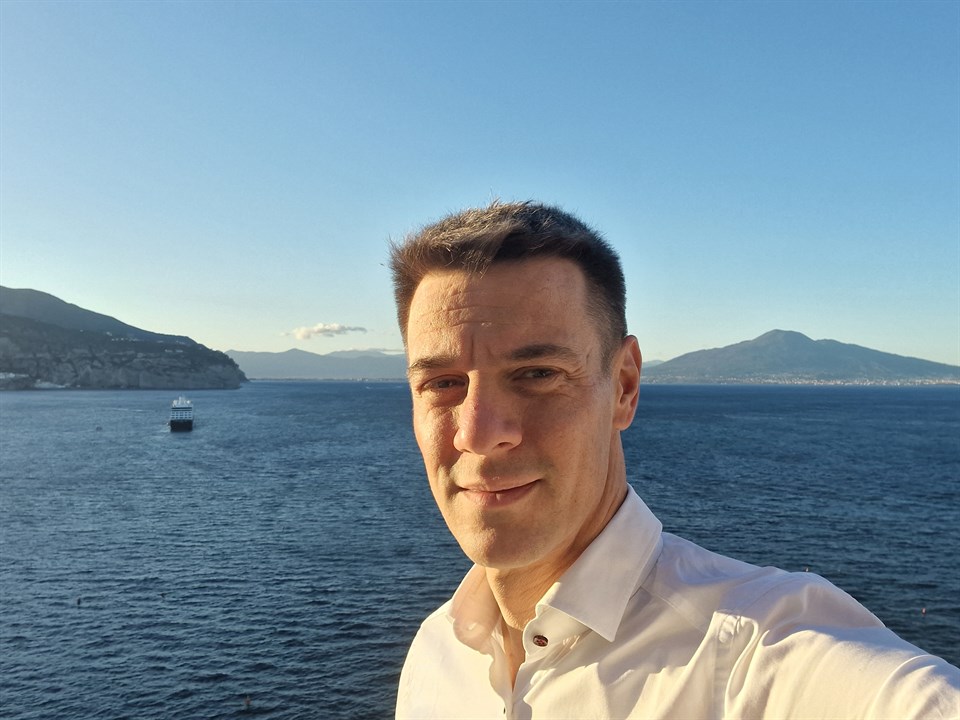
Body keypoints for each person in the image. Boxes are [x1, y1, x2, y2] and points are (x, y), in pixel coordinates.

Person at [390, 201, 960, 719]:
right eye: (441, 383)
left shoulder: (752, 657)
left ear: (624, 387)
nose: (478, 434)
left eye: (538, 373)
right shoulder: (439, 653)